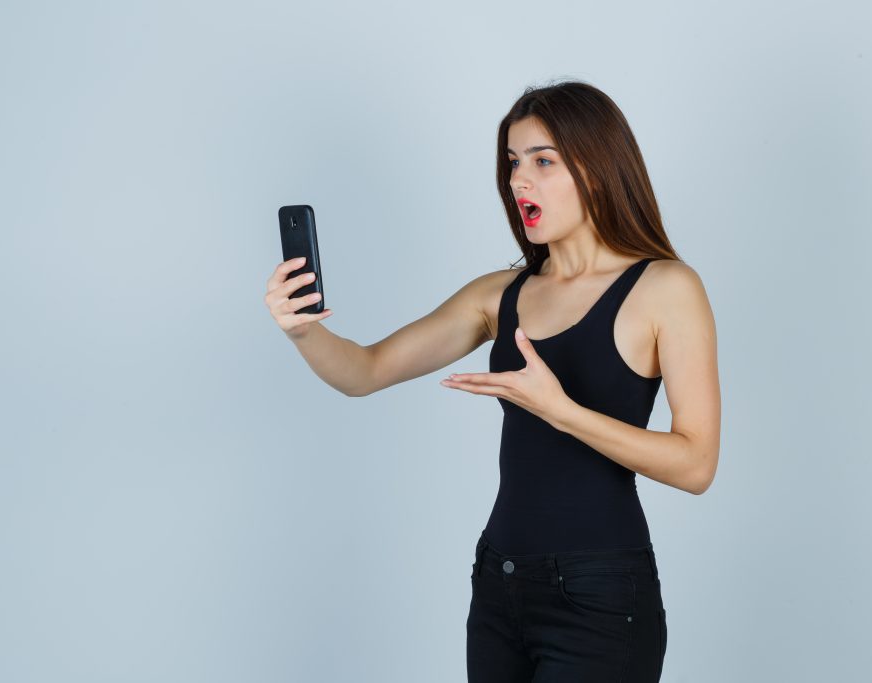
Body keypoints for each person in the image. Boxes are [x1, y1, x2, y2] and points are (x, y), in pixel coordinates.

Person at [264, 79, 720, 682]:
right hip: (500, 585)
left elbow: (696, 465)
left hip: (600, 599)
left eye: (542, 161)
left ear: (599, 166)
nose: (518, 180)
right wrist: (301, 330)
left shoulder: (666, 288)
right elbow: (363, 371)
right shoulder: (498, 296)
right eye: (512, 163)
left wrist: (560, 410)